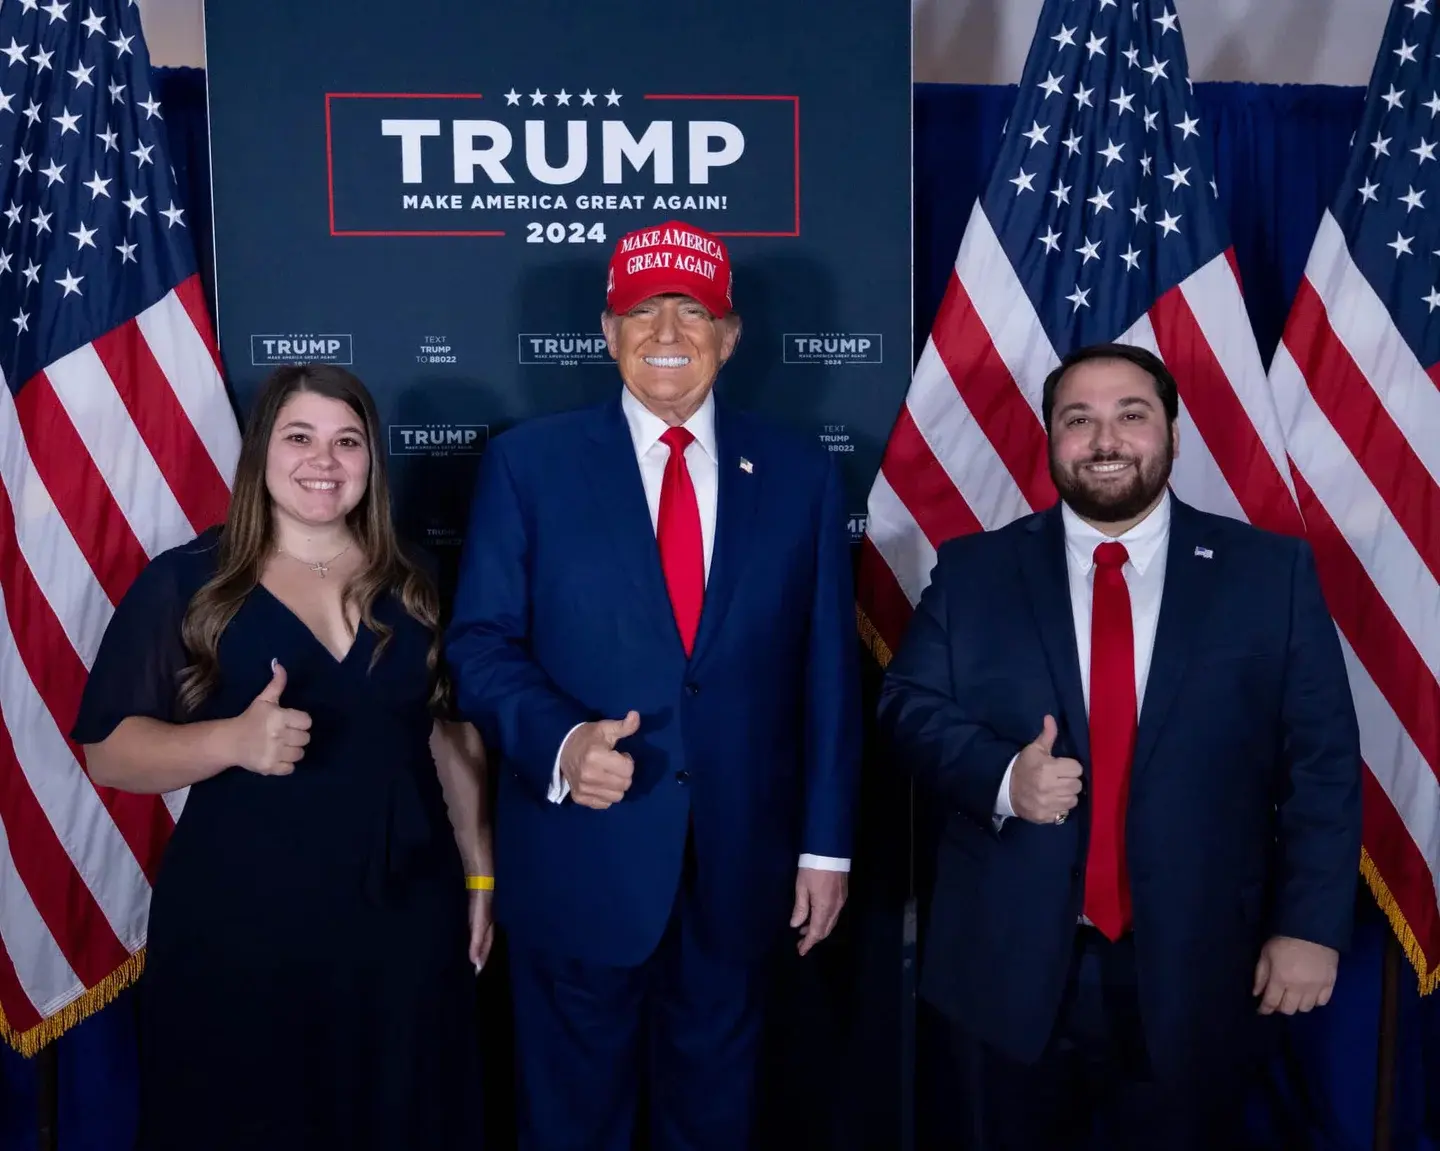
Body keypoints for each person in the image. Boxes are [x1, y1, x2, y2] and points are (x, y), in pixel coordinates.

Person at [877, 343, 1362, 1149]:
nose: (1106, 439)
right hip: (1007, 962)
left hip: (1203, 960)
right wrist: (1002, 778)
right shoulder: (975, 571)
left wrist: (1310, 925)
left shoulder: (1266, 574)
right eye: (1079, 419)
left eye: (1131, 415)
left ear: (1170, 430)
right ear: (1051, 438)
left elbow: (1322, 763)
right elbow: (905, 705)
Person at [445, 220, 861, 1150]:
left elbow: (827, 674)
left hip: (741, 871)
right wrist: (561, 741)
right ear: (606, 331)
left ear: (730, 334)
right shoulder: (529, 464)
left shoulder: (798, 472)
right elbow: (478, 643)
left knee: (714, 1120)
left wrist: (825, 848)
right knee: (570, 1124)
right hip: (577, 863)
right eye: (642, 308)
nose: (666, 329)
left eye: (691, 309)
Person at [74, 364, 490, 1151]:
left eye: (347, 441)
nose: (324, 461)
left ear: (373, 460)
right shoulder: (191, 583)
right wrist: (230, 739)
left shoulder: (417, 580)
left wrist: (478, 872)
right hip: (244, 925)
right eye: (300, 437)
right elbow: (110, 752)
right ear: (262, 451)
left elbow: (449, 733)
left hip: (403, 915)